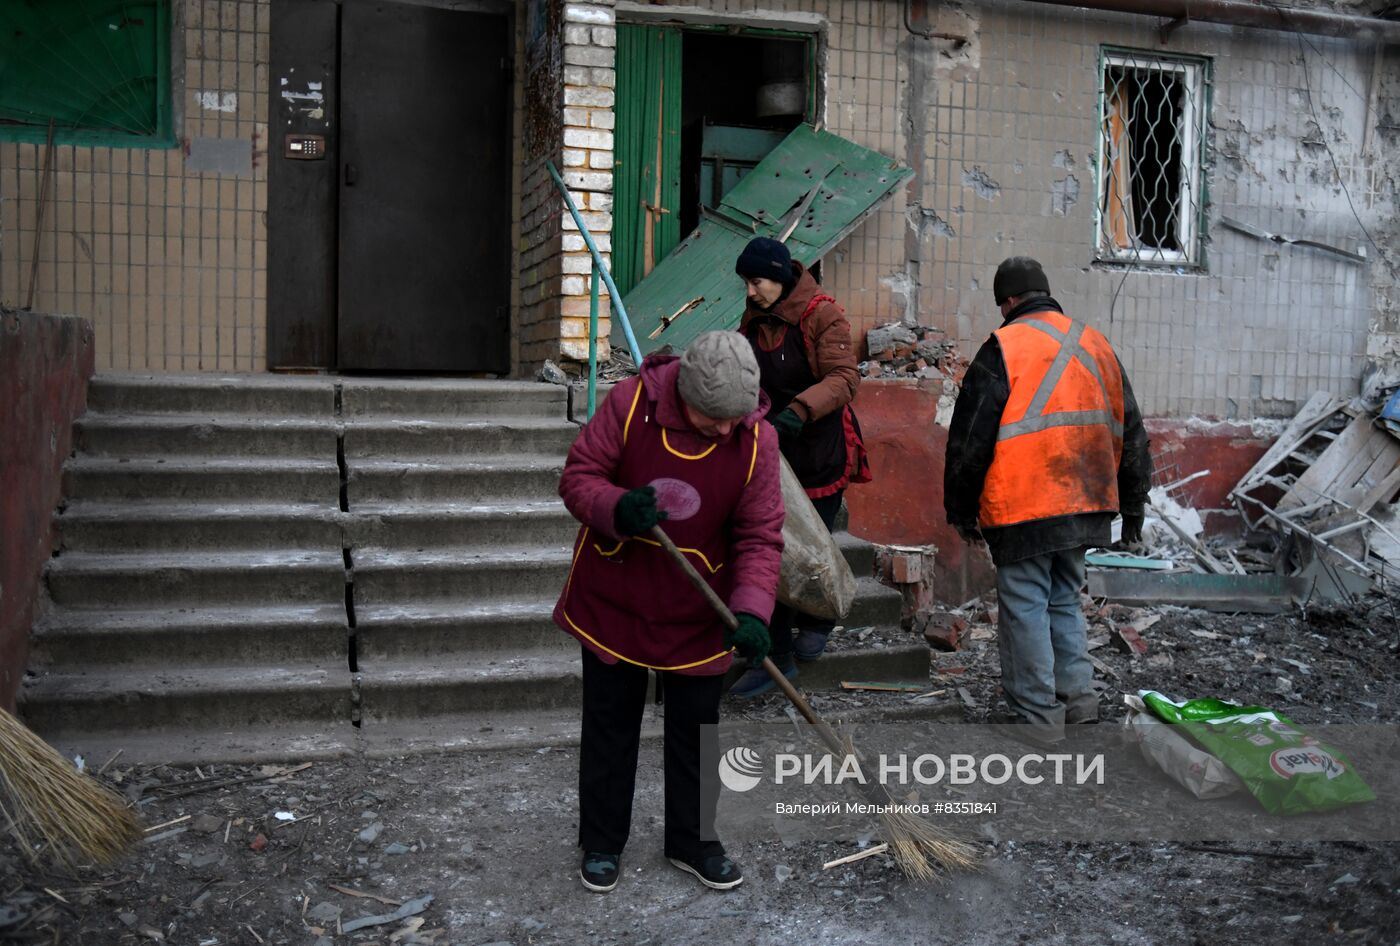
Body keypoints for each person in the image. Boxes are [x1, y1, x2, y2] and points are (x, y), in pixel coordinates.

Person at [554, 330, 784, 893]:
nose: (726, 431)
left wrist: (753, 610)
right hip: (617, 595)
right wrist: (615, 507)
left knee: (697, 731)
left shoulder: (758, 441)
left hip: (700, 610)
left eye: (737, 419)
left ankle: (693, 839)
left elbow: (759, 534)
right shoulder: (630, 405)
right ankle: (603, 840)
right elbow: (578, 478)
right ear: (684, 395)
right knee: (610, 727)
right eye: (714, 418)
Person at [944, 256, 1151, 746]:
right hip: (1088, 500)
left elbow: (970, 438)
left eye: (1001, 305)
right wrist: (1133, 509)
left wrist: (960, 509)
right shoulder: (1096, 343)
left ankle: (1036, 717)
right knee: (1064, 599)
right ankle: (1078, 702)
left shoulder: (1004, 347)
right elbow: (1134, 432)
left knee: (1026, 606)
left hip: (1025, 506)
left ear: (1010, 301)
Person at [728, 236, 870, 698]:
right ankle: (776, 658)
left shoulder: (822, 314)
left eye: (757, 281)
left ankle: (818, 620)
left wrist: (798, 411)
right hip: (773, 453)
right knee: (775, 555)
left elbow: (845, 378)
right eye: (747, 283)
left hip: (819, 452)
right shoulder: (754, 319)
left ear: (781, 278)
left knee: (814, 550)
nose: (750, 292)